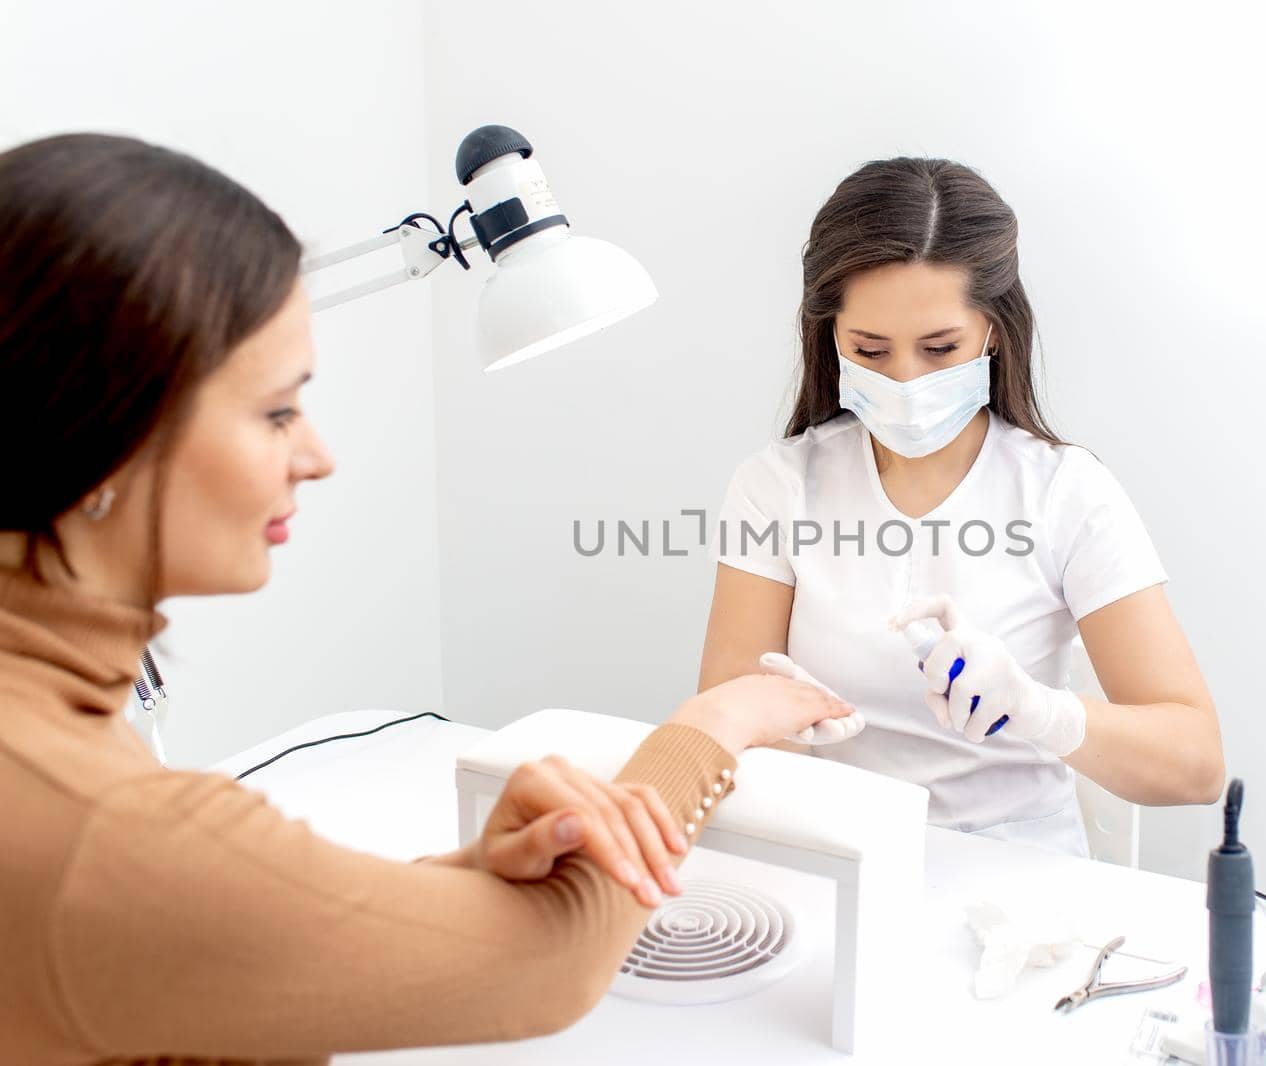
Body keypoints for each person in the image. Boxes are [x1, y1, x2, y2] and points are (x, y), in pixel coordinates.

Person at [0, 132, 855, 1065]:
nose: (317, 456)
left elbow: (162, 963)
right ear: (108, 427)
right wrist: (710, 727)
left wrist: (464, 882)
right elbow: (549, 965)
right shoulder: (105, 832)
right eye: (278, 411)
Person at [700, 157, 1223, 857]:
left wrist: (1044, 714)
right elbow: (718, 731)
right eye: (871, 349)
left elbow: (1196, 765)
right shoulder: (778, 485)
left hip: (1020, 876)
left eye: (940, 348)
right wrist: (776, 734)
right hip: (834, 856)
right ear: (831, 337)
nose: (906, 380)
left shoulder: (1066, 492)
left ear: (994, 331)